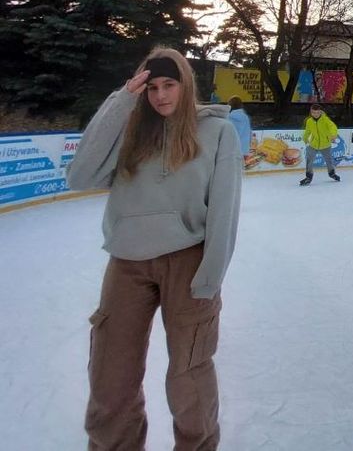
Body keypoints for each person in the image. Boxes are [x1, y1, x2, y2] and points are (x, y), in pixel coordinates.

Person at [66, 48, 242, 450]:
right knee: (111, 377)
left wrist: (210, 279)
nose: (161, 95)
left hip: (187, 262)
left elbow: (225, 209)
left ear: (185, 84)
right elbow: (78, 176)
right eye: (153, 88)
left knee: (188, 377)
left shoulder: (216, 132)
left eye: (169, 85)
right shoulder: (130, 129)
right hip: (126, 263)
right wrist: (122, 100)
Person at [300, 103, 340, 185]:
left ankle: (331, 173)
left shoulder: (325, 120)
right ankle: (308, 176)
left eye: (317, 113)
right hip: (313, 144)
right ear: (311, 112)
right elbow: (308, 131)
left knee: (329, 160)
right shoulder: (309, 121)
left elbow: (333, 127)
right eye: (313, 113)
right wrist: (305, 138)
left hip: (325, 144)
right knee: (309, 160)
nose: (315, 114)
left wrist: (333, 135)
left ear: (320, 112)